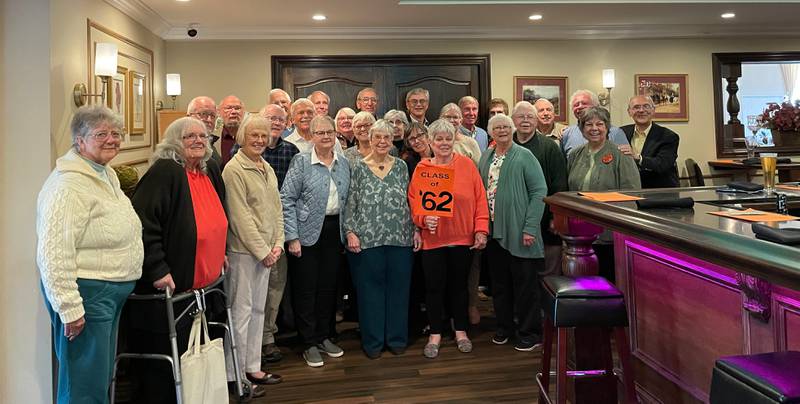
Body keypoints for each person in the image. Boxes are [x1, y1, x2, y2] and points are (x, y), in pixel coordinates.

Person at [36, 105, 143, 404]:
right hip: (87, 295)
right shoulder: (68, 185)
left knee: (97, 380)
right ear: (79, 141)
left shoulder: (103, 174)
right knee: (83, 384)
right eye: (101, 134)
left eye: (115, 133)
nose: (111, 139)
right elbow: (53, 252)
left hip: (106, 293)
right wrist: (69, 306)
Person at [128, 117, 238, 402]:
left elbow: (218, 217)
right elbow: (143, 223)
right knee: (171, 361)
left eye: (203, 136)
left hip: (205, 286)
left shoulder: (206, 169)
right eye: (190, 136)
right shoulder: (166, 172)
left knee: (197, 354)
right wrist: (157, 268)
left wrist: (220, 251)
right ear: (174, 141)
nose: (198, 141)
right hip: (172, 287)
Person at [407, 119, 489, 359]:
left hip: (462, 238)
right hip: (433, 239)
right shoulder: (423, 168)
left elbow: (480, 200)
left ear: (454, 140)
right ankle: (435, 333)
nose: (443, 143)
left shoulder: (467, 166)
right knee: (433, 288)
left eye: (447, 138)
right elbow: (414, 202)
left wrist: (481, 229)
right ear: (430, 142)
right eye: (438, 139)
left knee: (459, 288)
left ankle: (461, 330)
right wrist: (423, 219)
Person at [343, 119, 417, 359]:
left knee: (399, 290)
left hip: (400, 238)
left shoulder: (401, 167)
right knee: (369, 292)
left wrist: (416, 229)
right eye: (378, 137)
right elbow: (350, 202)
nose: (383, 141)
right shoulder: (358, 167)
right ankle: (373, 342)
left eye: (387, 137)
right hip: (368, 240)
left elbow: (410, 200)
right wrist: (350, 231)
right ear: (370, 139)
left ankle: (396, 339)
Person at [281, 115, 351, 368]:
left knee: (328, 288)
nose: (325, 137)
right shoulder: (301, 162)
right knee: (306, 289)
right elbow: (286, 199)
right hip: (306, 233)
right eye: (320, 133)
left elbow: (347, 201)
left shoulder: (342, 163)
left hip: (334, 231)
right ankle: (308, 342)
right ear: (311, 136)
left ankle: (324, 336)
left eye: (329, 132)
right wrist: (292, 237)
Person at [222, 115, 284, 386]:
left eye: (263, 135)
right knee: (241, 313)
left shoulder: (265, 166)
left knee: (259, 311)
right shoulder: (233, 170)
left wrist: (278, 243)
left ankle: (253, 367)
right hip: (244, 253)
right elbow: (240, 217)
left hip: (268, 251)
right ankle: (233, 374)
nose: (260, 140)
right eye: (254, 136)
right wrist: (263, 251)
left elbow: (277, 209)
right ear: (242, 138)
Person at [479, 113, 548, 352]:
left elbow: (539, 191)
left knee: (525, 286)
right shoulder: (487, 156)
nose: (502, 131)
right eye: (497, 128)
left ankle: (530, 332)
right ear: (491, 132)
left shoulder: (524, 155)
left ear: (512, 129)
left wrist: (530, 227)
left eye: (506, 127)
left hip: (520, 232)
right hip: (494, 232)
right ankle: (504, 327)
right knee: (500, 285)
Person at [567, 107, 641, 280]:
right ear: (581, 128)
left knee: (607, 280)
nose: (594, 128)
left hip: (609, 234)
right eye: (589, 124)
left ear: (607, 127)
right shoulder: (575, 155)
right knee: (583, 280)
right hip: (580, 233)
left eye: (600, 124)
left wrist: (623, 230)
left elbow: (631, 195)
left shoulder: (621, 154)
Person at [257, 104, 299, 363]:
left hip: (280, 229)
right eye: (270, 118)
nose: (275, 123)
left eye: (280, 119)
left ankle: (268, 338)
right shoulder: (243, 152)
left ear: (287, 123)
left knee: (275, 287)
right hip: (253, 232)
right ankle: (252, 341)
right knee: (254, 290)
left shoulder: (291, 151)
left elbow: (291, 195)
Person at [512, 101, 568, 276]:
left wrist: (555, 217)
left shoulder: (550, 147)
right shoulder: (506, 145)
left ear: (536, 121)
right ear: (513, 120)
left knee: (548, 271)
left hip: (545, 220)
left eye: (530, 116)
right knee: (521, 271)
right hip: (515, 221)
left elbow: (560, 185)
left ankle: (548, 303)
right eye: (521, 116)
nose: (526, 120)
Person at [619, 95, 680, 188]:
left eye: (646, 106)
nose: (641, 110)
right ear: (629, 112)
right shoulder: (620, 132)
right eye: (636, 107)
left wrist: (638, 158)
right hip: (628, 190)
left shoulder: (669, 136)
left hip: (659, 193)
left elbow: (662, 164)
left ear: (653, 110)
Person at [560, 90, 629, 157]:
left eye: (584, 103)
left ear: (596, 106)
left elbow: (626, 161)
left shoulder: (615, 132)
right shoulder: (566, 134)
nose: (580, 107)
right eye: (576, 105)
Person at [187, 96, 221, 163]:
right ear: (189, 117)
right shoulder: (180, 146)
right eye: (203, 114)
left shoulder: (212, 143)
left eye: (212, 116)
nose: (209, 120)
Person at [218, 95, 245, 166]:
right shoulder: (213, 138)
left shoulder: (250, 136)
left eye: (237, 108)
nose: (233, 112)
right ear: (219, 112)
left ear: (243, 112)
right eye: (228, 108)